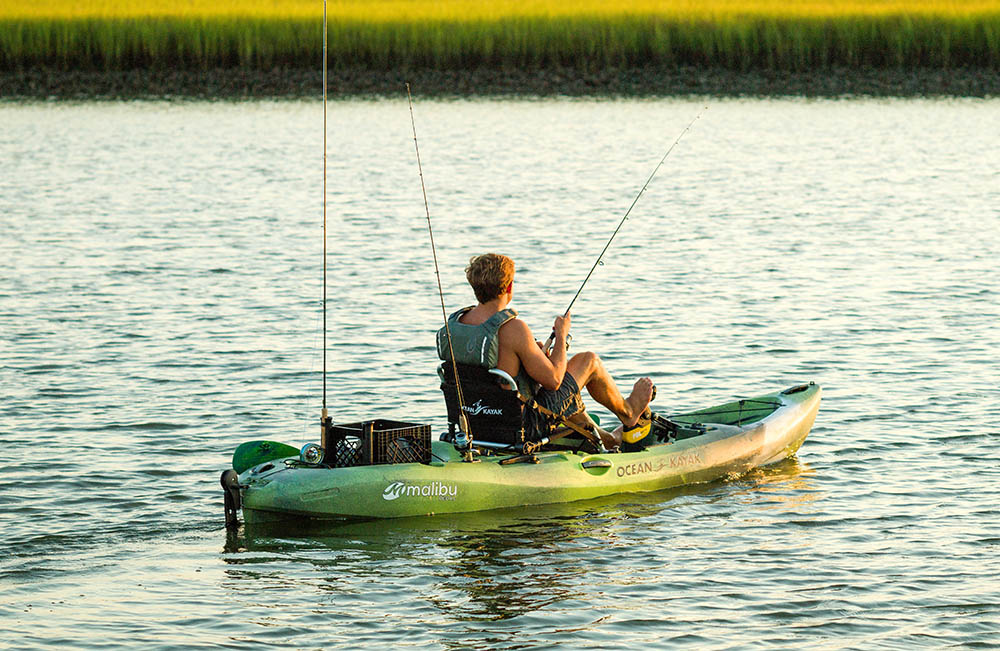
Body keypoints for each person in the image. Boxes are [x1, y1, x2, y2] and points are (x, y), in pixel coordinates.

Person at [437, 252, 654, 448]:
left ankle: (605, 439)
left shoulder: (455, 326)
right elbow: (554, 381)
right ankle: (628, 413)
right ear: (509, 286)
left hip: (473, 423)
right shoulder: (513, 328)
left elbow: (492, 371)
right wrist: (561, 335)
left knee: (563, 390)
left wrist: (536, 356)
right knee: (588, 362)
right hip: (522, 426)